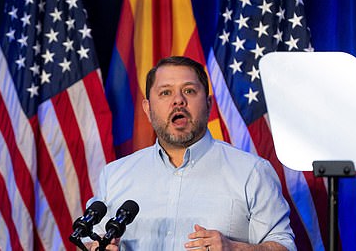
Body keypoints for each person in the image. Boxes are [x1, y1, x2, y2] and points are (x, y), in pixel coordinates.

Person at [87, 56, 295, 250]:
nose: (178, 101)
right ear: (147, 109)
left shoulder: (252, 172)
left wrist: (235, 248)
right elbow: (90, 241)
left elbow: (284, 245)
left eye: (189, 91)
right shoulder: (114, 175)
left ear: (209, 104)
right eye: (165, 92)